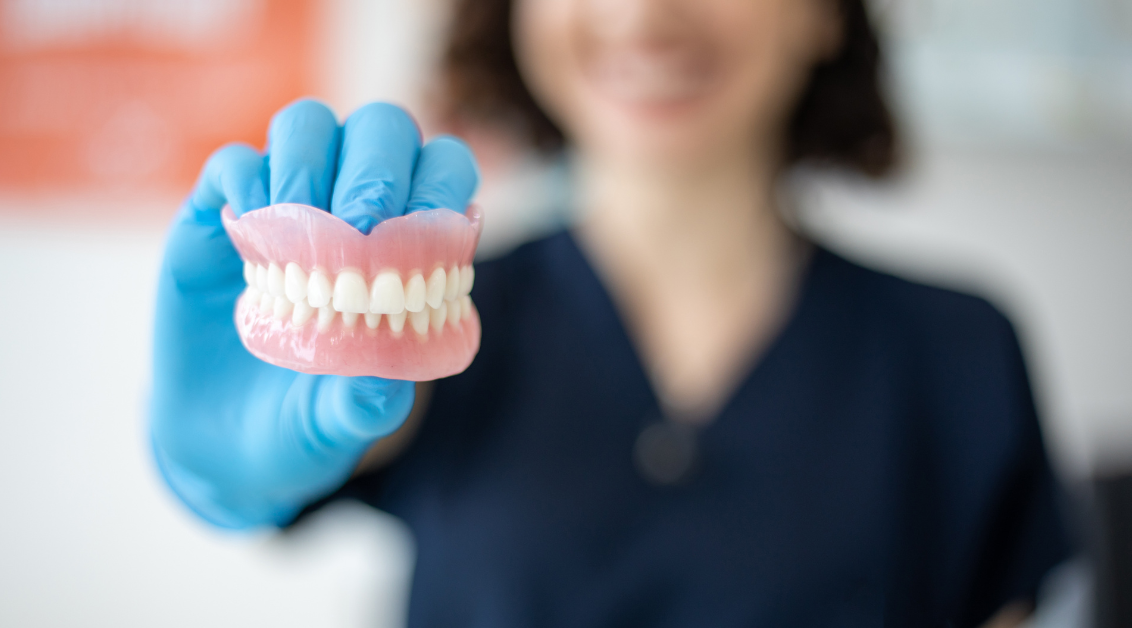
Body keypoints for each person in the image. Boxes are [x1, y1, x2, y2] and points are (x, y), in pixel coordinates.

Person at [150, 0, 1072, 625]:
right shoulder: (427, 324)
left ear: (825, 10)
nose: (643, 14)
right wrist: (235, 454)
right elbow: (343, 432)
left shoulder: (959, 355)